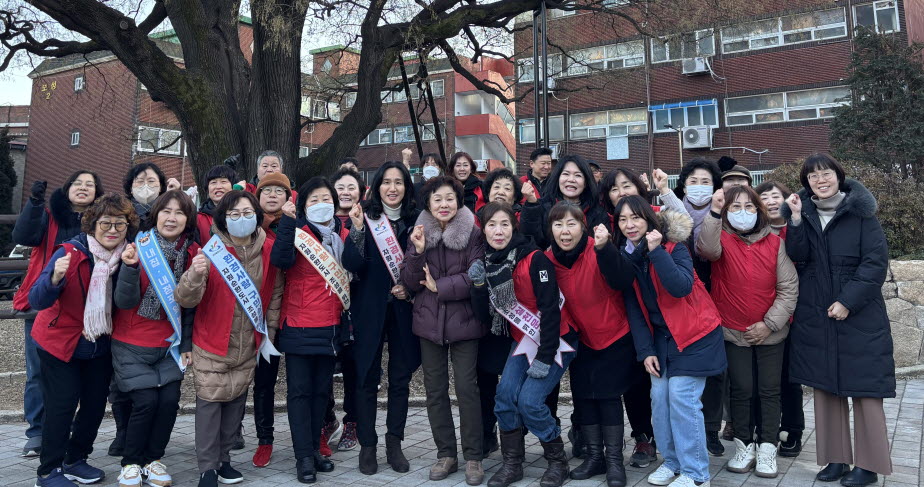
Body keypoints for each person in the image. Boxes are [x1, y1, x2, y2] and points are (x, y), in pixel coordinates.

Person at [781, 154, 894, 487]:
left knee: (866, 391)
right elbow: (797, 256)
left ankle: (869, 466)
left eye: (826, 173)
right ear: (806, 183)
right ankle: (836, 459)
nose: (820, 180)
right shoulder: (805, 213)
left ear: (839, 176)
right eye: (812, 176)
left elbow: (875, 264)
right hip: (816, 314)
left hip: (860, 317)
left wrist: (847, 301)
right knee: (826, 388)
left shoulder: (861, 215)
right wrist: (796, 220)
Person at [613, 196, 726, 487]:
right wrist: (645, 351)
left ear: (649, 220)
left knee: (681, 398)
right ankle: (673, 462)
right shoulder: (628, 258)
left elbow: (680, 287)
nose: (629, 225)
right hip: (662, 339)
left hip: (695, 335)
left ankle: (697, 473)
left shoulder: (675, 248)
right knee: (660, 398)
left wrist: (656, 251)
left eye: (635, 218)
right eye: (623, 219)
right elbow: (635, 309)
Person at [174, 190, 284, 487]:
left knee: (235, 403)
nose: (241, 219)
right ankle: (207, 468)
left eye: (247, 213)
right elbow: (185, 298)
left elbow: (275, 294)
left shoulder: (269, 249)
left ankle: (224, 461)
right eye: (233, 214)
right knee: (210, 405)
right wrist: (194, 275)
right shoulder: (211, 251)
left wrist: (269, 333)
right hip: (212, 340)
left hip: (248, 342)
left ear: (257, 216)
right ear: (223, 219)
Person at [29, 193, 138, 487]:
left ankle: (75, 459)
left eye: (120, 223)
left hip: (100, 343)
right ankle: (48, 471)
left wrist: (131, 268)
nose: (113, 229)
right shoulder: (70, 252)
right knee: (62, 406)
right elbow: (37, 299)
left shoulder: (128, 256)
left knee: (93, 406)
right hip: (59, 342)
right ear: (93, 224)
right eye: (106, 223)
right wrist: (54, 279)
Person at [469, 202, 578, 487]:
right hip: (524, 339)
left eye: (504, 224)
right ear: (483, 230)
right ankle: (512, 464)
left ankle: (558, 462)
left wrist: (545, 356)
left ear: (514, 227)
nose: (498, 231)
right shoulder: (488, 263)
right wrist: (478, 287)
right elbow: (485, 317)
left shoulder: (534, 258)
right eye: (491, 225)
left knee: (530, 402)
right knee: (505, 397)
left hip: (556, 340)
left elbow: (550, 310)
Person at [697, 186, 798, 478]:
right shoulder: (721, 239)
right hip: (732, 330)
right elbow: (706, 249)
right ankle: (744, 445)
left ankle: (767, 447)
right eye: (736, 207)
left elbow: (788, 288)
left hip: (771, 332)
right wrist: (715, 211)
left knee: (769, 390)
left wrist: (769, 324)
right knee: (741, 389)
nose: (743, 212)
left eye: (749, 207)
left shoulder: (776, 243)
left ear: (759, 210)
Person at [400, 176, 486, 485]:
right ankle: (446, 454)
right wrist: (417, 252)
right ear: (428, 204)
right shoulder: (418, 233)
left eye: (449, 198)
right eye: (437, 199)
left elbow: (477, 274)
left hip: (465, 322)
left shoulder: (473, 233)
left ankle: (474, 456)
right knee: (434, 390)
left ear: (458, 201)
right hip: (428, 321)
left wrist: (441, 286)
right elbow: (410, 281)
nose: (444, 204)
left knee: (466, 388)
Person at [544, 202, 637, 487]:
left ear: (583, 227)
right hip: (578, 339)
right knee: (584, 397)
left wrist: (605, 248)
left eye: (571, 224)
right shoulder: (548, 259)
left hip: (613, 334)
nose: (565, 231)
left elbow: (623, 279)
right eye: (558, 225)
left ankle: (614, 461)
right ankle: (595, 457)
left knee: (608, 397)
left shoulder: (598, 248)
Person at [13, 171, 103, 458]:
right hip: (45, 300)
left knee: (84, 374)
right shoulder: (50, 216)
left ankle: (70, 430)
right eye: (78, 183)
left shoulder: (103, 222)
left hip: (89, 307)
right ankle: (37, 431)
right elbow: (24, 236)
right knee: (38, 371)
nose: (83, 188)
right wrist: (34, 202)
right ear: (67, 188)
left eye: (90, 185)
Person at [112, 190, 198, 487]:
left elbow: (191, 307)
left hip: (169, 344)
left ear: (188, 219)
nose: (171, 218)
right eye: (166, 211)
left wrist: (186, 344)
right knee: (146, 401)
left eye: (179, 212)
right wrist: (130, 267)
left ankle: (153, 460)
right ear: (156, 215)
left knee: (169, 402)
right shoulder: (137, 246)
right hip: (131, 341)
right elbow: (123, 301)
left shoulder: (193, 253)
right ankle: (131, 463)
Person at [343, 161, 422, 474]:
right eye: (386, 182)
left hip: (404, 311)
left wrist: (410, 288)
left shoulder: (417, 220)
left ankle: (394, 443)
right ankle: (368, 445)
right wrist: (357, 231)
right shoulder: (365, 217)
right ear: (377, 187)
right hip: (369, 310)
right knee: (366, 378)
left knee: (400, 379)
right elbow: (352, 264)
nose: (392, 188)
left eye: (398, 182)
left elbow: (425, 265)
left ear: (406, 187)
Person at [271, 177, 350, 483]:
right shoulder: (298, 232)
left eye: (326, 198)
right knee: (300, 394)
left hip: (330, 326)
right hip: (299, 324)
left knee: (321, 393)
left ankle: (315, 450)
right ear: (303, 205)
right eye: (314, 199)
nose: (321, 204)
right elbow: (280, 259)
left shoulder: (341, 234)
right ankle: (303, 456)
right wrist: (287, 222)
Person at [671, 157, 726, 455]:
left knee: (714, 368)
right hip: (683, 298)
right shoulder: (671, 213)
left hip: (718, 293)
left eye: (706, 181)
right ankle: (684, 430)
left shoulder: (726, 213)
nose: (699, 186)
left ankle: (711, 430)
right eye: (693, 181)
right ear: (683, 185)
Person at [755, 180, 804, 457]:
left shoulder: (798, 227)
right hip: (764, 316)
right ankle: (765, 430)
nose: (772, 202)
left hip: (796, 315)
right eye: (764, 197)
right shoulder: (754, 232)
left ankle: (792, 430)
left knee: (789, 377)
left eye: (776, 196)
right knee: (764, 380)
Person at [247, 172, 292, 468]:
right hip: (262, 315)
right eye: (267, 190)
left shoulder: (299, 226)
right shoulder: (248, 229)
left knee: (309, 378)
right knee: (263, 382)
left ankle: (322, 429)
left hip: (296, 312)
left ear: (288, 197)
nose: (273, 195)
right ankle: (265, 439)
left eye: (279, 191)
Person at [521, 155, 608, 250]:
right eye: (566, 174)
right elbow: (532, 241)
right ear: (557, 178)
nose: (571, 179)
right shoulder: (542, 206)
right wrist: (531, 204)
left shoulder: (598, 212)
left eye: (578, 175)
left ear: (586, 182)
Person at [196, 165, 237, 244]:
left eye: (223, 182)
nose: (218, 187)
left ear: (233, 186)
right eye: (213, 182)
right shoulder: (197, 219)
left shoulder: (243, 215)